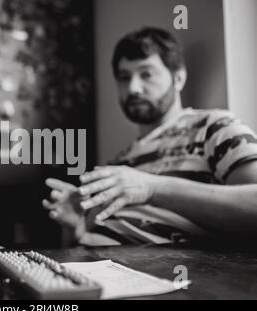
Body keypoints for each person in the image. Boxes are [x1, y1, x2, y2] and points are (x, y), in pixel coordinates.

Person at [43, 27, 257, 247]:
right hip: (92, 270)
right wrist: (75, 229)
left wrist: (153, 188)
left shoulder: (213, 128)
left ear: (178, 78)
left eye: (147, 74)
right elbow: (81, 243)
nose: (133, 88)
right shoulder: (121, 162)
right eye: (124, 77)